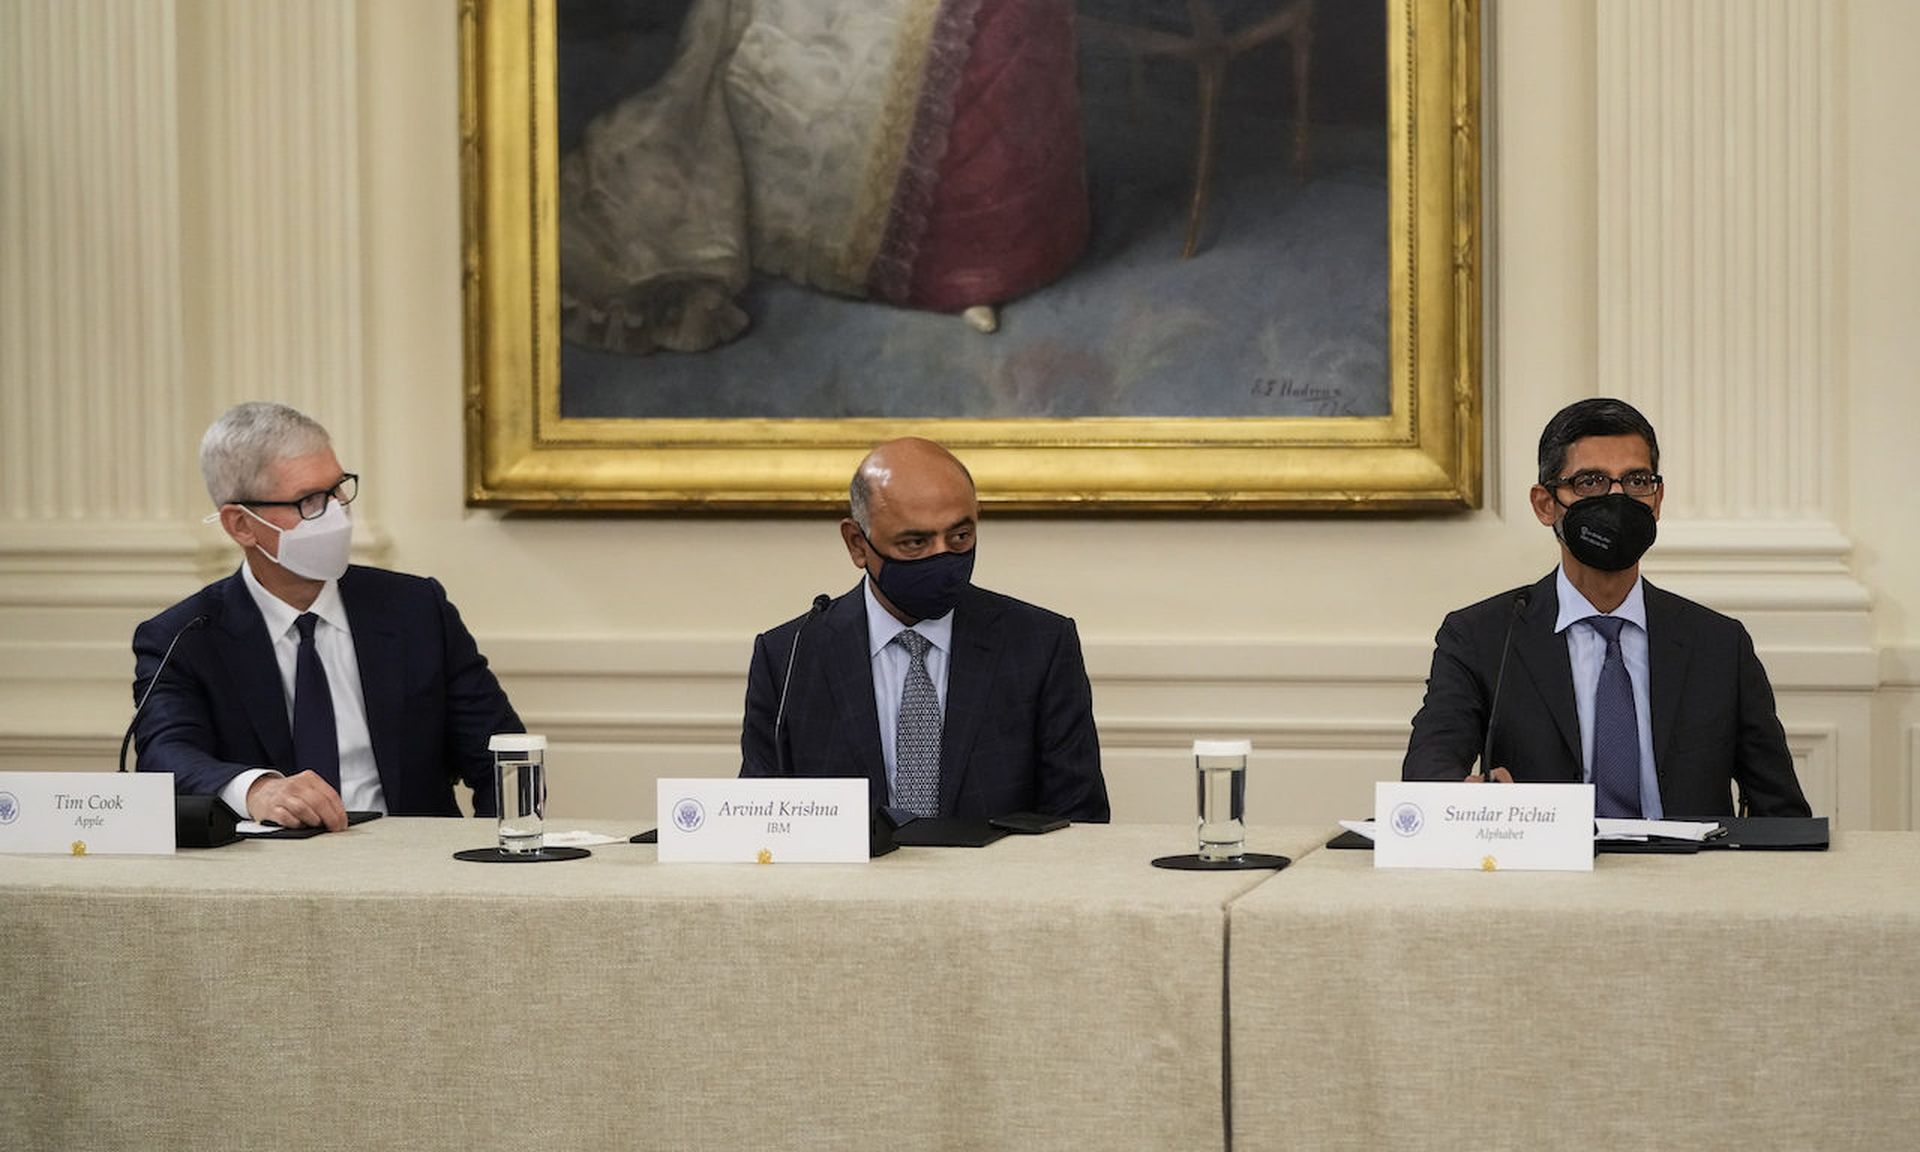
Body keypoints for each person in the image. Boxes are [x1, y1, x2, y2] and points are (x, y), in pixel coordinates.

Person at [1402, 398, 1810, 819]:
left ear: (1657, 498)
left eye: (1636, 481)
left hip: (1690, 877)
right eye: (1590, 482)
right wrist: (1465, 797)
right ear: (1546, 504)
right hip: (1546, 876)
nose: (1617, 499)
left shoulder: (1720, 645)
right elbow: (1428, 775)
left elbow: (1782, 813)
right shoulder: (1482, 637)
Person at [129, 402, 521, 830]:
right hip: (264, 876)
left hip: (412, 867)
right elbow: (165, 756)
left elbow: (505, 755)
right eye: (309, 500)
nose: (336, 512)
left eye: (337, 489)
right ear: (241, 525)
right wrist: (258, 789)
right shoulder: (184, 636)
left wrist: (492, 859)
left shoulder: (416, 609)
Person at [739, 437, 1110, 822]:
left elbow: (1079, 823)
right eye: (915, 542)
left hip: (998, 881)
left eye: (959, 537)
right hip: (846, 882)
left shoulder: (1040, 646)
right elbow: (761, 820)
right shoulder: (791, 655)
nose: (942, 555)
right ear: (857, 544)